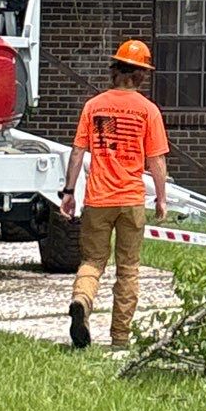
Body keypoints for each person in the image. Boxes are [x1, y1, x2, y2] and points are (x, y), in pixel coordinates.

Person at [60, 38, 168, 352]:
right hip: (131, 200)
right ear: (141, 75)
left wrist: (69, 192)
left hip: (97, 200)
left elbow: (78, 153)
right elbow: (157, 160)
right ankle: (120, 340)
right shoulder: (148, 111)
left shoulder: (93, 106)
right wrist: (160, 198)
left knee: (92, 261)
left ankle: (82, 300)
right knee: (128, 270)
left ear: (115, 70)